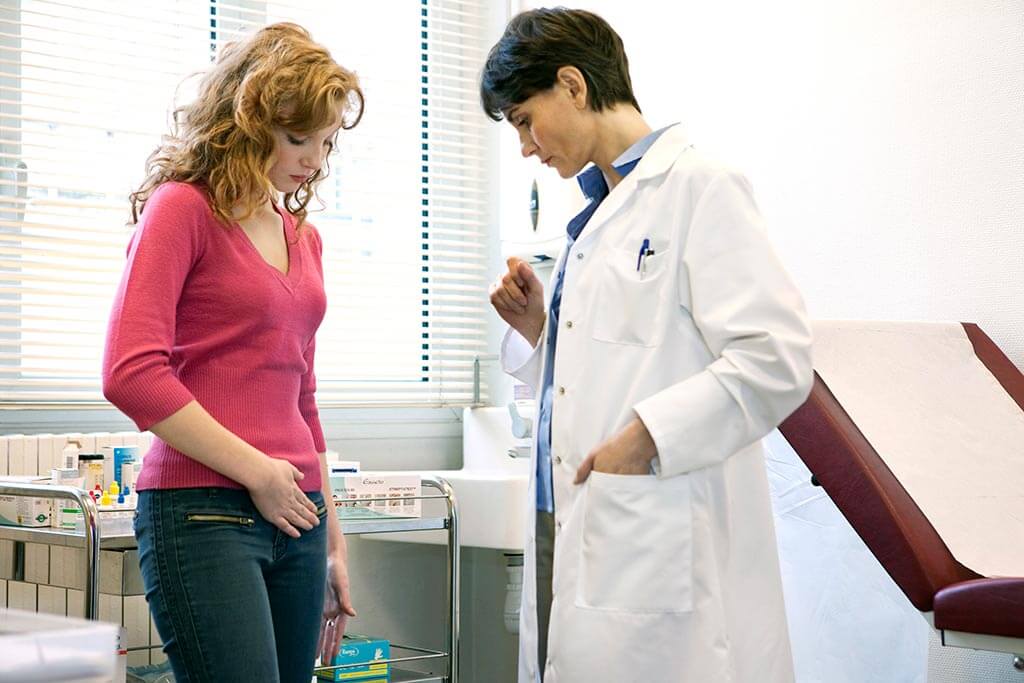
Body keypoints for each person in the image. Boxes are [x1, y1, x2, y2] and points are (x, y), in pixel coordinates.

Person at [481, 8, 813, 683]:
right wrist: (539, 329)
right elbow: (610, 368)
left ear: (572, 85)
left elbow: (775, 358)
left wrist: (649, 436)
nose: (525, 148)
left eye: (523, 120)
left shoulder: (699, 187)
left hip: (651, 529)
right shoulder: (595, 216)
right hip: (571, 517)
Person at [102, 23, 363, 683]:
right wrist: (258, 472)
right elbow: (131, 373)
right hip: (203, 511)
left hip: (299, 515)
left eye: (326, 142)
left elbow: (302, 397)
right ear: (248, 121)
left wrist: (333, 541)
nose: (314, 160)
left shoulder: (303, 237)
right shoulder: (182, 209)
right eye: (298, 138)